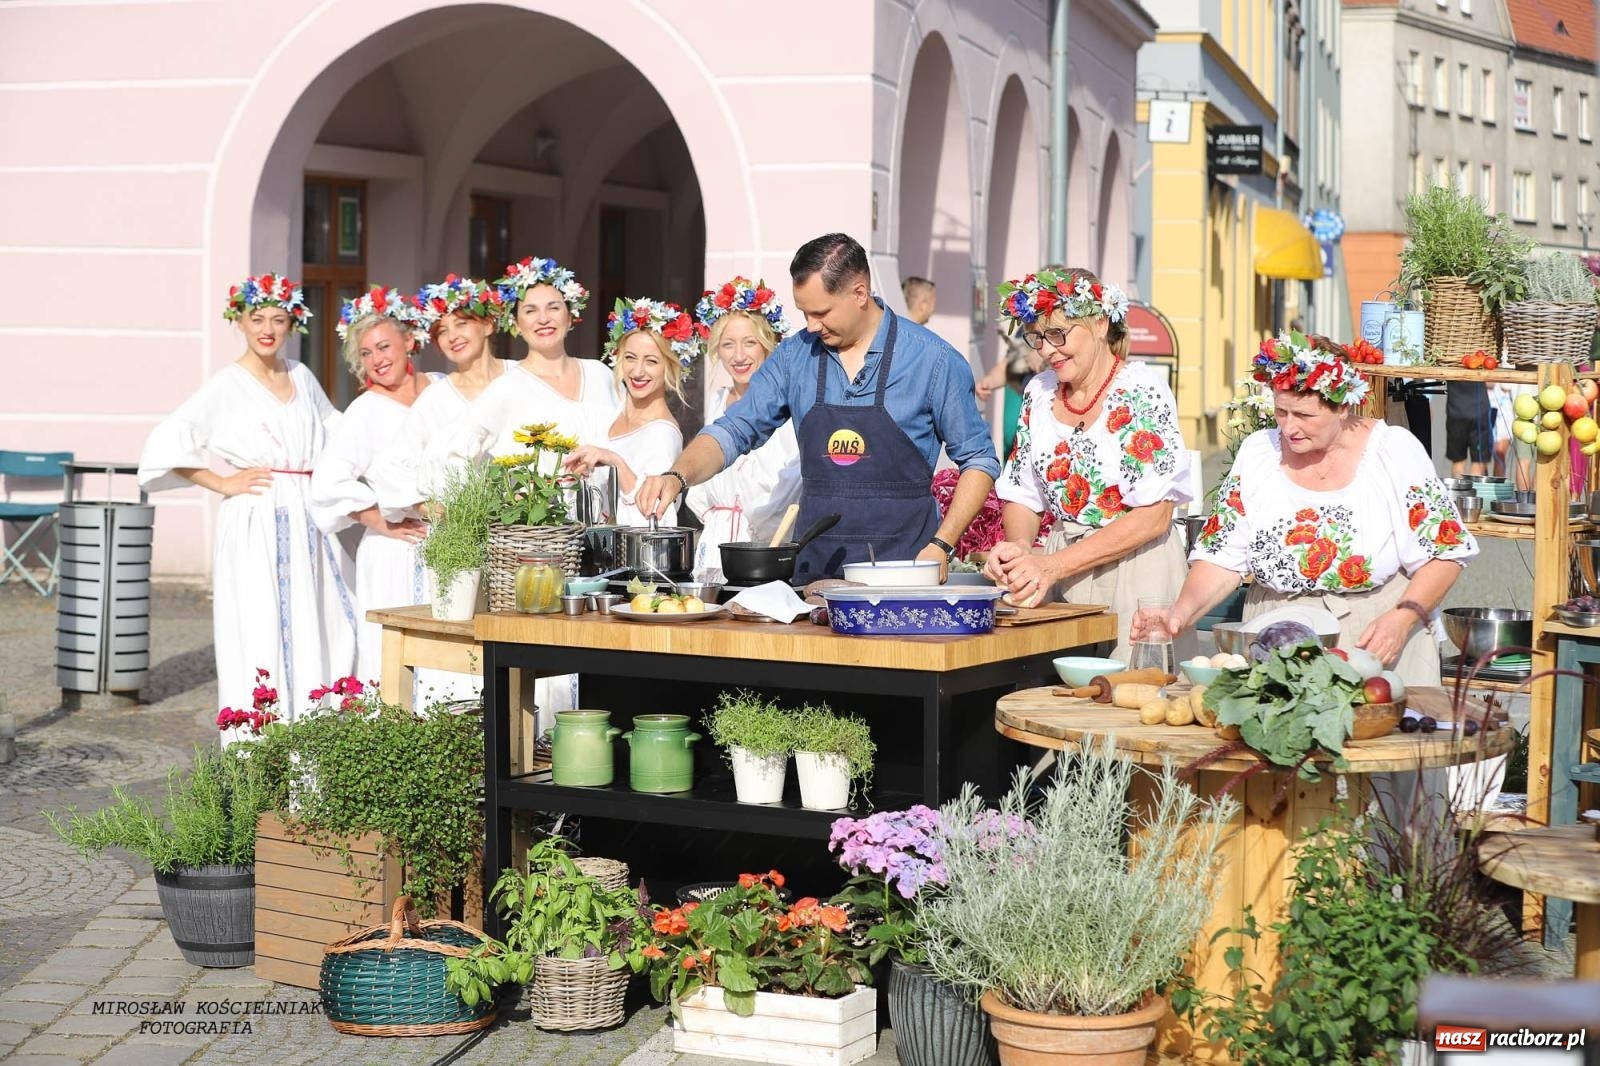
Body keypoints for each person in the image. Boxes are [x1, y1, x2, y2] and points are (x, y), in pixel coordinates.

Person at [635, 233, 999, 580]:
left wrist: (942, 543)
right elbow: (733, 430)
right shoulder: (795, 357)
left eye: (821, 312)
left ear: (859, 293)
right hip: (814, 574)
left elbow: (979, 460)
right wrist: (677, 475)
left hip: (906, 568)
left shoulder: (933, 361)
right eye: (804, 313)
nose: (810, 326)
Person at [1133, 331, 1478, 687]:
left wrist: (1403, 618)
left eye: (1304, 415)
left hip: (1372, 635)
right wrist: (1180, 613)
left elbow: (1445, 553)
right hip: (1273, 636)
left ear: (1343, 407)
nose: (1289, 427)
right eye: (1281, 411)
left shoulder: (1393, 451)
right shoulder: (1258, 453)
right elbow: (1221, 558)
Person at [138, 275, 355, 716]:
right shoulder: (227, 384)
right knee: (262, 619)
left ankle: (315, 724)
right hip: (256, 515)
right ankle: (262, 732)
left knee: (326, 615)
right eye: (257, 319)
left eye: (278, 319)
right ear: (240, 320)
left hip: (307, 513)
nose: (267, 329)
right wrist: (222, 482)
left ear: (293, 324)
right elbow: (169, 439)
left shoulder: (302, 375)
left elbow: (341, 435)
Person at [982, 268, 1195, 662]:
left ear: (1099, 323)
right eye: (1037, 337)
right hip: (1061, 571)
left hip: (1138, 569)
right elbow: (1022, 494)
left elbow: (1154, 517)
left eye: (1059, 334)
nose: (1047, 349)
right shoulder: (1039, 392)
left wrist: (1052, 565)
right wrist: (1021, 548)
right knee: (1060, 700)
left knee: (1135, 699)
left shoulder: (1140, 390)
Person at [310, 292, 436, 681]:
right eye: (365, 354)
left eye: (383, 347)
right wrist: (378, 519)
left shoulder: (444, 390)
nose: (377, 360)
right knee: (392, 658)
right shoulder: (364, 411)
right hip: (394, 552)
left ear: (409, 342)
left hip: (452, 542)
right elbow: (327, 483)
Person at [426, 256, 616, 481]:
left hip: (610, 513)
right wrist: (500, 502)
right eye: (530, 311)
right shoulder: (507, 387)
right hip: (546, 515)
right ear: (516, 324)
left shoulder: (599, 373)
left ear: (570, 316)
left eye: (553, 308)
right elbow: (455, 457)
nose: (543, 319)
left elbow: (635, 436)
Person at [683, 277, 802, 575]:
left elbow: (793, 479)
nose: (739, 356)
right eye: (728, 345)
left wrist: (758, 526)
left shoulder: (786, 409)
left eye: (750, 343)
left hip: (762, 547)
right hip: (716, 542)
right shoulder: (717, 401)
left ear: (768, 343)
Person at [369, 276, 507, 515]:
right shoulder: (436, 398)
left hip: (526, 530)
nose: (452, 337)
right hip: (465, 533)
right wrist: (435, 510)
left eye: (462, 324)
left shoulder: (520, 378)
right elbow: (391, 468)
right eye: (442, 331)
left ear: (488, 324)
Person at [562, 298, 696, 527]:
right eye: (630, 358)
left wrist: (617, 464)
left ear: (670, 367)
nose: (637, 371)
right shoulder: (612, 418)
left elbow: (656, 519)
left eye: (651, 361)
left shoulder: (662, 434)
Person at [1446, 379, 1493, 477]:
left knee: (1458, 462)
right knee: (1478, 463)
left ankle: (1458, 491)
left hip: (1456, 411)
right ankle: (1475, 491)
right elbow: (1491, 383)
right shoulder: (1480, 363)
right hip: (1479, 411)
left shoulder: (1449, 363)